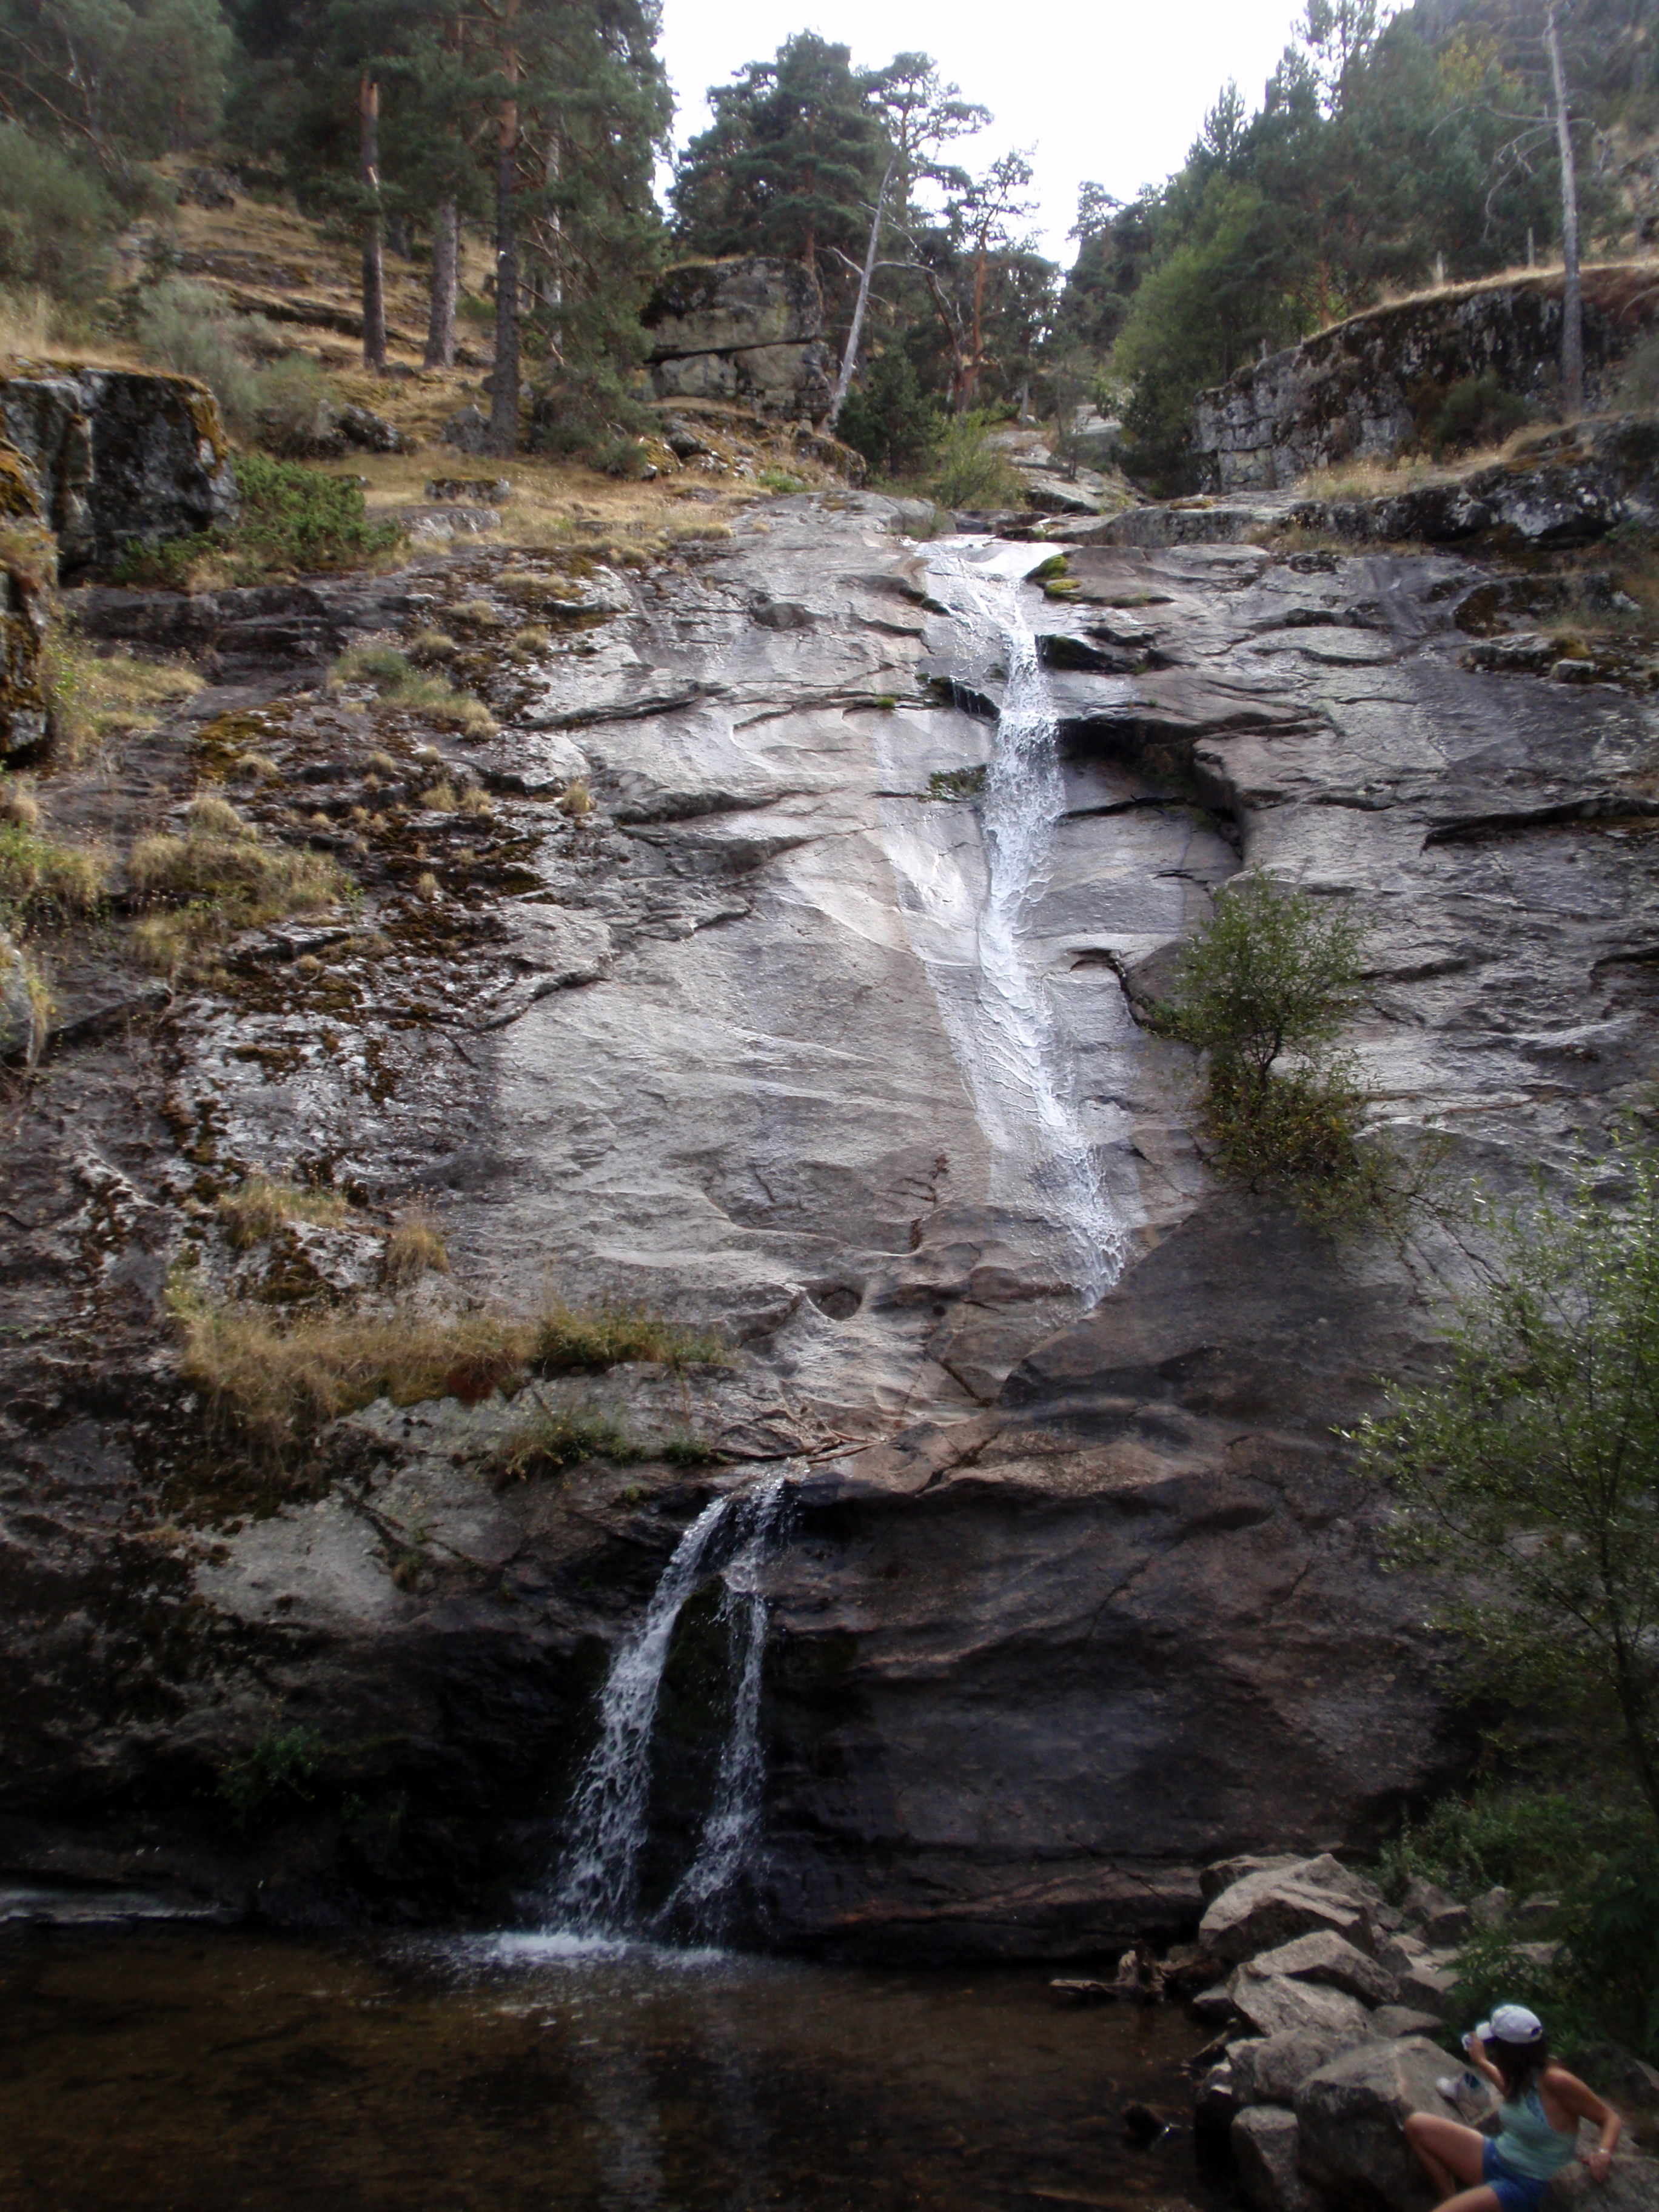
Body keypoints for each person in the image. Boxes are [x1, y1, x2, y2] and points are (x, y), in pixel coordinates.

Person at [1404, 2003, 1622, 2212]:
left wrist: (1603, 2153)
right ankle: (1451, 2200)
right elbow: (1511, 2092)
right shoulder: (1525, 2076)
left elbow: (1610, 2118)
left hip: (1528, 2184)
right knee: (1417, 2125)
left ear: (1509, 2052)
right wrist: (1481, 2061)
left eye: (1494, 2046)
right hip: (1498, 2157)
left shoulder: (1557, 2081)